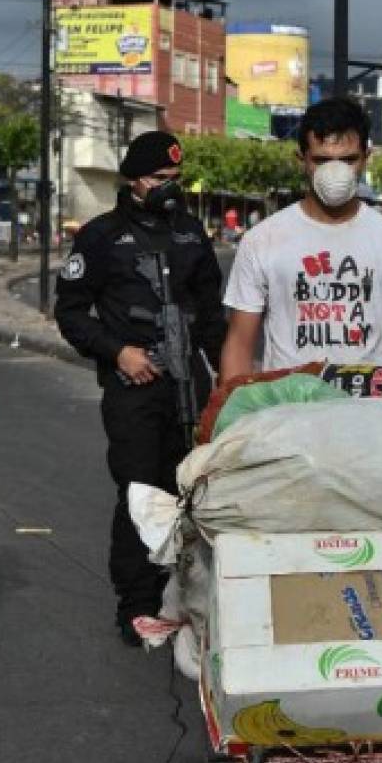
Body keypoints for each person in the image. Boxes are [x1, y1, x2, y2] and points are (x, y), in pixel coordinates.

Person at [54, 131, 226, 647]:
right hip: (135, 387)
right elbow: (70, 312)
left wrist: (228, 381)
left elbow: (214, 316)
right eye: (159, 180)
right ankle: (136, 603)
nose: (169, 190)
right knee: (140, 493)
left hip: (187, 383)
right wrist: (117, 352)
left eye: (176, 180)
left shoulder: (192, 234)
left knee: (190, 491)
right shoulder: (102, 236)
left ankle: (185, 595)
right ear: (133, 181)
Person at [220, 97, 382, 379]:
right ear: (302, 160)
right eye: (322, 160)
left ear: (366, 158)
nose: (336, 172)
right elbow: (239, 343)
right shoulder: (263, 240)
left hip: (369, 414)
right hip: (288, 413)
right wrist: (234, 412)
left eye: (348, 159)